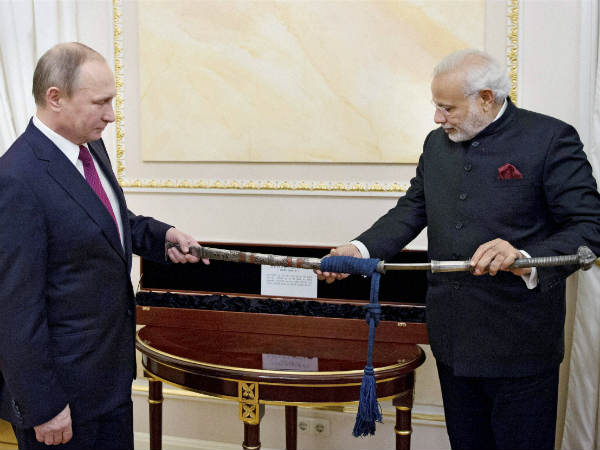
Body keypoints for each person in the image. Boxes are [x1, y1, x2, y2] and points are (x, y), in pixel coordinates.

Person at [317, 49, 600, 450]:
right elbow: (411, 210)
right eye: (436, 106)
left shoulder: (550, 138)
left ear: (486, 98)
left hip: (521, 345)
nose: (437, 118)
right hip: (452, 340)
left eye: (447, 108)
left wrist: (524, 256)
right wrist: (359, 250)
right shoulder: (436, 145)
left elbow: (589, 226)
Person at [0, 42, 208, 449]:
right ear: (55, 98)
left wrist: (160, 236)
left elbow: (102, 219)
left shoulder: (89, 146)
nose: (111, 115)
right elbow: (14, 309)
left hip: (109, 379)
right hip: (62, 400)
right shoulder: (16, 179)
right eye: (100, 102)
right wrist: (43, 405)